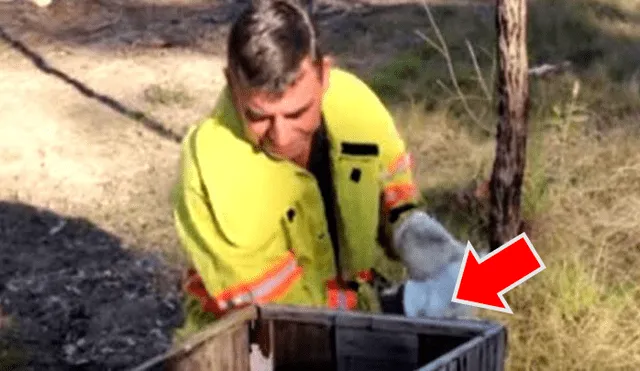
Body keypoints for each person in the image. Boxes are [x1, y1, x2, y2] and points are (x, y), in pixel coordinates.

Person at [170, 0, 470, 341]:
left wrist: (421, 239)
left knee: (504, 271)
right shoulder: (213, 164)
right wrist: (407, 306)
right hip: (251, 345)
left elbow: (394, 191)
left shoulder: (354, 104)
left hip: (346, 322)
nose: (281, 137)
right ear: (230, 82)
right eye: (259, 117)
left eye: (297, 113)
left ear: (324, 73)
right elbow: (283, 316)